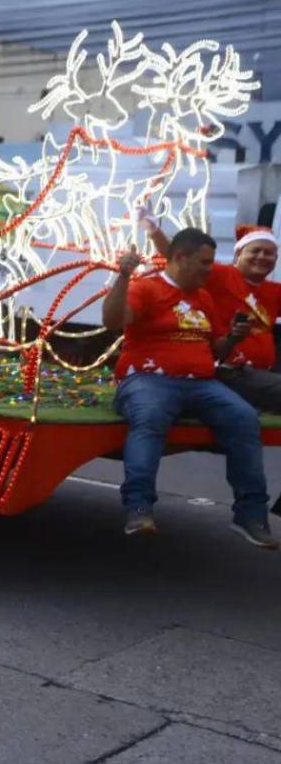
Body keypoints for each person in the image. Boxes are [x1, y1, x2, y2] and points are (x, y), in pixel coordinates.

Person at [102, 227, 277, 548]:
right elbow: (113, 321)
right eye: (204, 263)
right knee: (151, 418)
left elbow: (215, 350)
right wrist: (123, 276)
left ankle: (251, 516)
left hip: (201, 383)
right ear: (180, 258)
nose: (210, 270)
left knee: (244, 419)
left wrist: (234, 337)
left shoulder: (203, 297)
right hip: (147, 380)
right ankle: (138, 507)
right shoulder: (146, 288)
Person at [145, 218, 281, 409]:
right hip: (230, 370)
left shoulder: (274, 291)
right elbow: (174, 253)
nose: (261, 257)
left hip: (262, 373)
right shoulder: (222, 275)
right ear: (238, 255)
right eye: (255, 251)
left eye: (269, 253)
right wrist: (152, 228)